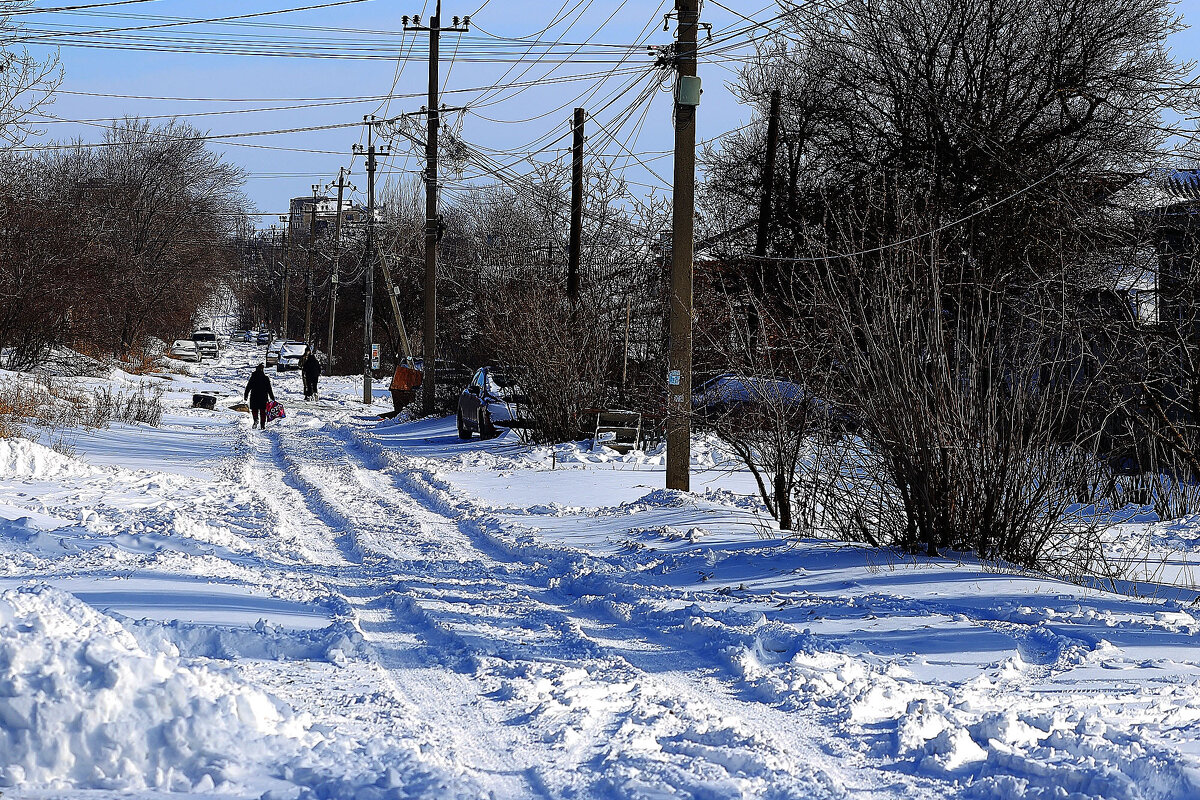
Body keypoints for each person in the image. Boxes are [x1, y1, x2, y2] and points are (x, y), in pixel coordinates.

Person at [244, 364, 275, 429]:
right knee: (263, 411)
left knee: (254, 410)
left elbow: (248, 387)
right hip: (263, 397)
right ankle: (262, 425)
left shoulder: (253, 377)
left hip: (254, 396)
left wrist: (246, 395)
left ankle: (255, 420)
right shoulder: (265, 378)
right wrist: (272, 397)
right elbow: (269, 389)